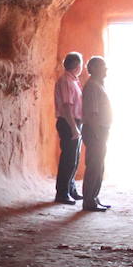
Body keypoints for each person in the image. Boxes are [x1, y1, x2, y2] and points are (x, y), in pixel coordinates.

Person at [80, 56, 114, 212]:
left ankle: (93, 197)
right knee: (94, 165)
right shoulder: (92, 87)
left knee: (98, 165)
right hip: (95, 130)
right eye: (103, 66)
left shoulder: (98, 85)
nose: (106, 69)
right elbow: (92, 113)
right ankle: (89, 201)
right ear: (93, 68)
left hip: (99, 130)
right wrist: (97, 133)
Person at [53, 52, 84, 204]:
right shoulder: (66, 81)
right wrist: (73, 127)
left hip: (74, 122)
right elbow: (66, 106)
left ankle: (70, 189)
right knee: (68, 159)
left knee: (74, 158)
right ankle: (62, 193)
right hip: (68, 122)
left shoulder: (73, 81)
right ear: (77, 65)